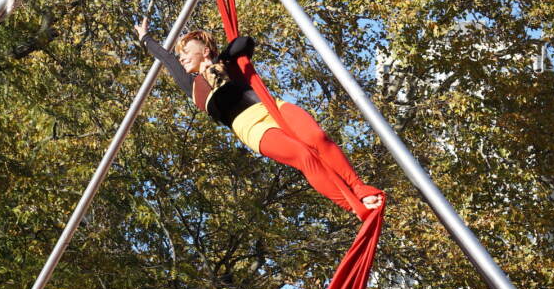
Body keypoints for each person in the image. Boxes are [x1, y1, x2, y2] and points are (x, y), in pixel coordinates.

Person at [134, 18, 383, 211]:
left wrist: (221, 61)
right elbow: (166, 59)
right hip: (252, 127)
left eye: (186, 50)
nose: (182, 56)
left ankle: (359, 188)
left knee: (318, 138)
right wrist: (145, 38)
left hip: (272, 107)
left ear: (205, 51)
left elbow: (245, 42)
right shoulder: (192, 87)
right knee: (303, 155)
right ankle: (352, 204)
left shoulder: (227, 64)